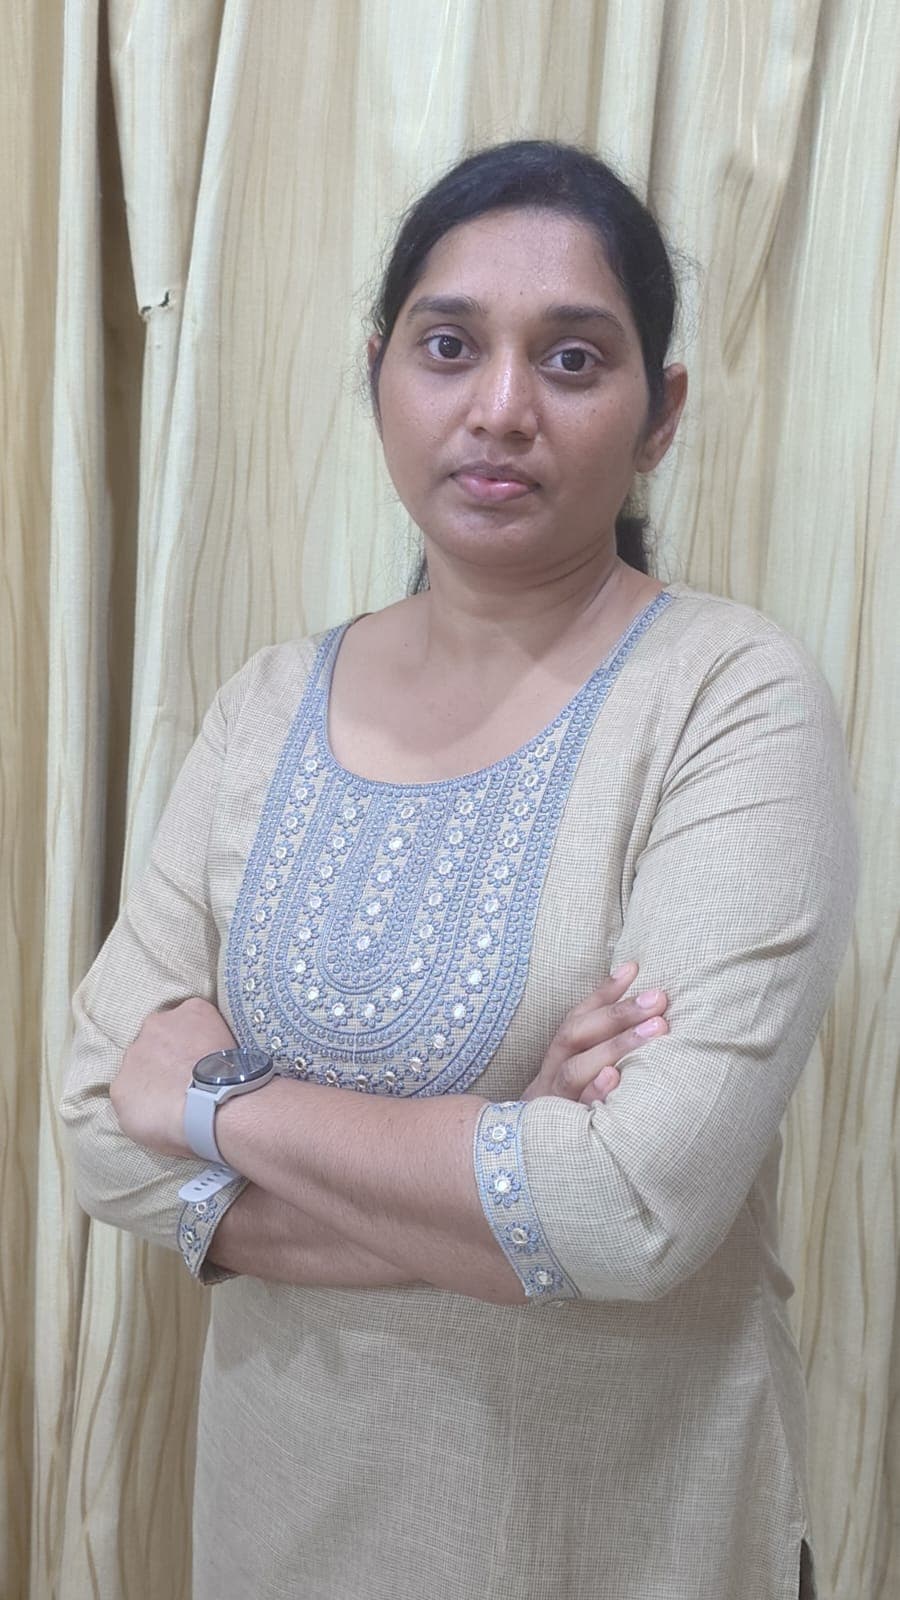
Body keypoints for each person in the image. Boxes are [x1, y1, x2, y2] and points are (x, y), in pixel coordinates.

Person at [61, 140, 856, 1600]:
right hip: (282, 1532)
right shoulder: (262, 710)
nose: (500, 408)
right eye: (448, 346)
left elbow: (631, 1209)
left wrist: (216, 1101)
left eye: (571, 358)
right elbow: (96, 1134)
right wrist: (504, 1167)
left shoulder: (728, 698)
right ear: (379, 375)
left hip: (622, 1545)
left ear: (660, 412)